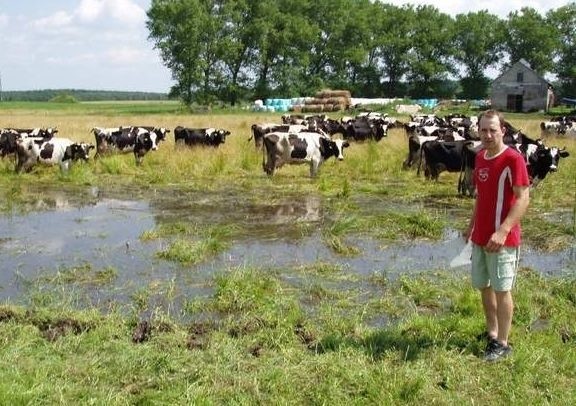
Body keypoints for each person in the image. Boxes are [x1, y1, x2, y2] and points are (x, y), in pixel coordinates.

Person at [463, 110, 530, 362]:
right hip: (481, 237)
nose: (488, 135)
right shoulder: (480, 156)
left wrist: (502, 230)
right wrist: (470, 226)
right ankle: (492, 333)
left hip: (502, 240)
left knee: (502, 289)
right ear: (478, 131)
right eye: (483, 130)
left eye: (493, 129)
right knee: (484, 286)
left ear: (503, 130)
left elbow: (523, 198)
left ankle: (503, 343)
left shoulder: (513, 159)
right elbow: (480, 197)